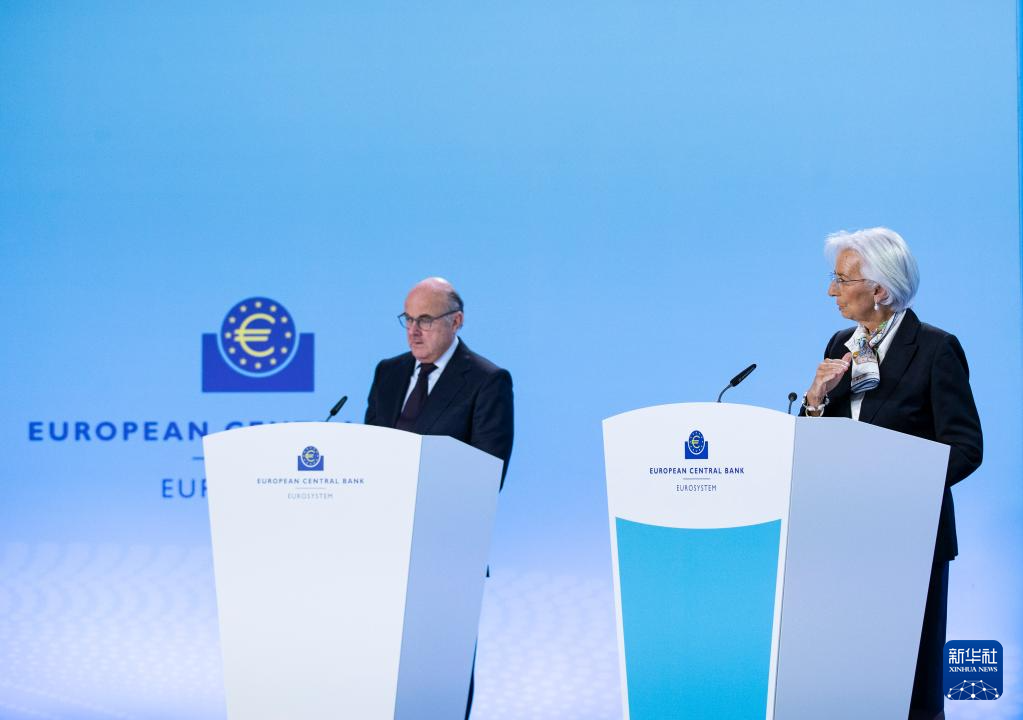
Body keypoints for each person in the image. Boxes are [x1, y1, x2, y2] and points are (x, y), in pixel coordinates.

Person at [801, 227, 982, 720]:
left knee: (914, 681)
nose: (831, 291)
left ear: (880, 289)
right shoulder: (841, 344)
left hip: (912, 535)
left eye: (842, 280)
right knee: (853, 671)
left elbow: (966, 447)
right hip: (846, 535)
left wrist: (899, 485)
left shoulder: (937, 349)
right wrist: (815, 401)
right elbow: (819, 446)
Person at [364, 276, 514, 719]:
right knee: (380, 670)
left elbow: (488, 471)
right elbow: (368, 453)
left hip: (447, 551)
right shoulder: (388, 373)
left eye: (425, 320)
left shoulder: (487, 380)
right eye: (407, 319)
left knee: (441, 672)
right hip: (382, 549)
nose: (413, 331)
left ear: (457, 321)